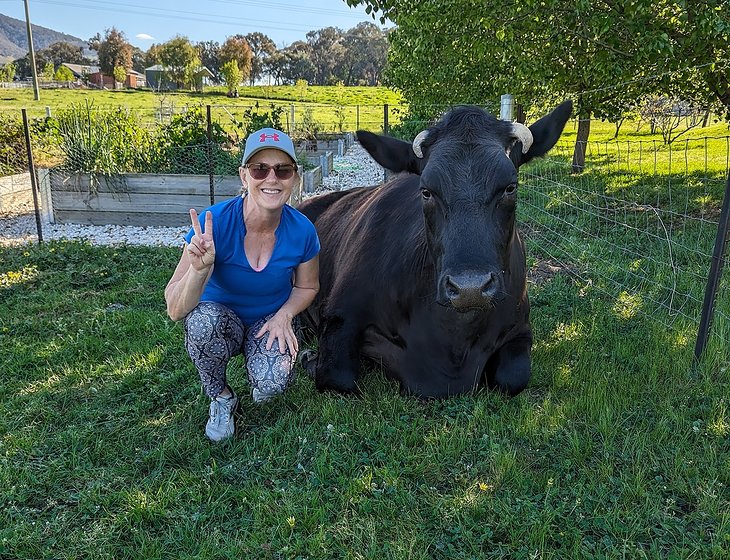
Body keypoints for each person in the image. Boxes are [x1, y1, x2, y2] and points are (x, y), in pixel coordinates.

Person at [165, 127, 320, 442]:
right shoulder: (213, 224)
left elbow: (307, 287)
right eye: (260, 169)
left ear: (294, 178)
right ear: (244, 175)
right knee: (202, 323)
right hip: (220, 322)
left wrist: (285, 315)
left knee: (272, 385)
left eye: (283, 170)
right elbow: (174, 309)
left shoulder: (303, 230)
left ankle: (260, 370)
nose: (271, 178)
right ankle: (221, 397)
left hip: (268, 322)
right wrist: (199, 270)